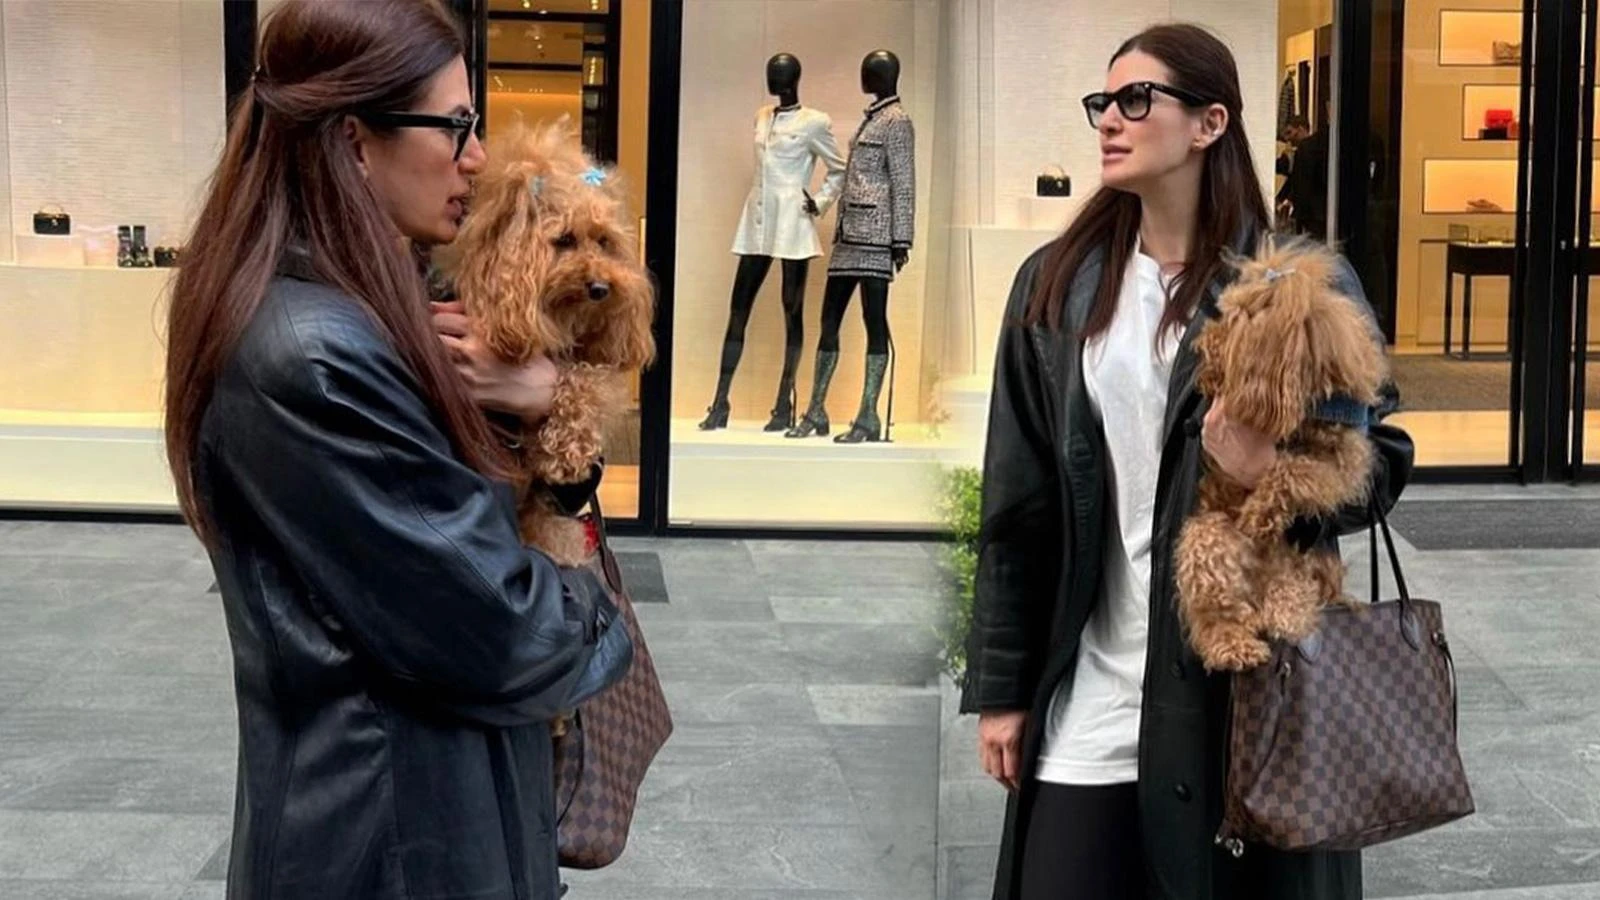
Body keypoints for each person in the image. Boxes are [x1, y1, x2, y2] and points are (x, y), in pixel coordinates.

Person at [161, 1, 631, 897]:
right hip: (396, 843)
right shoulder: (316, 356)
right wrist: (593, 608)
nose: (476, 157)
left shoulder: (371, 307)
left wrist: (543, 406)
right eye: (454, 127)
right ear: (353, 142)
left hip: (430, 809)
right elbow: (508, 634)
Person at [960, 23, 1413, 900]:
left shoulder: (1295, 287)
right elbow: (1018, 505)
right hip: (1091, 691)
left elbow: (1380, 462)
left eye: (1137, 100)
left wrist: (1266, 474)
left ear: (1210, 123)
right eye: (1104, 102)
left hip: (1246, 699)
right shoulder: (1057, 285)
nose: (1110, 120)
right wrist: (1003, 689)